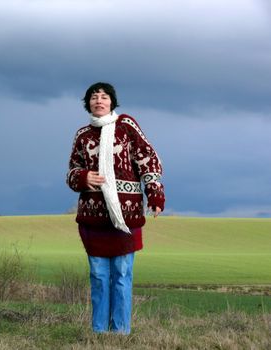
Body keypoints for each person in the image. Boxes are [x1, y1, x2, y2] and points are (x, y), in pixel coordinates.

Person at [66, 82, 165, 334]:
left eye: (104, 97)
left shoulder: (127, 126)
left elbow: (148, 158)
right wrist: (83, 177)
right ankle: (99, 332)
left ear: (112, 102)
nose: (99, 101)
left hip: (125, 217)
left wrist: (155, 192)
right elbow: (71, 172)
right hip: (93, 218)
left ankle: (120, 333)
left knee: (122, 276)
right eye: (94, 97)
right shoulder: (82, 135)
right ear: (87, 103)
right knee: (99, 277)